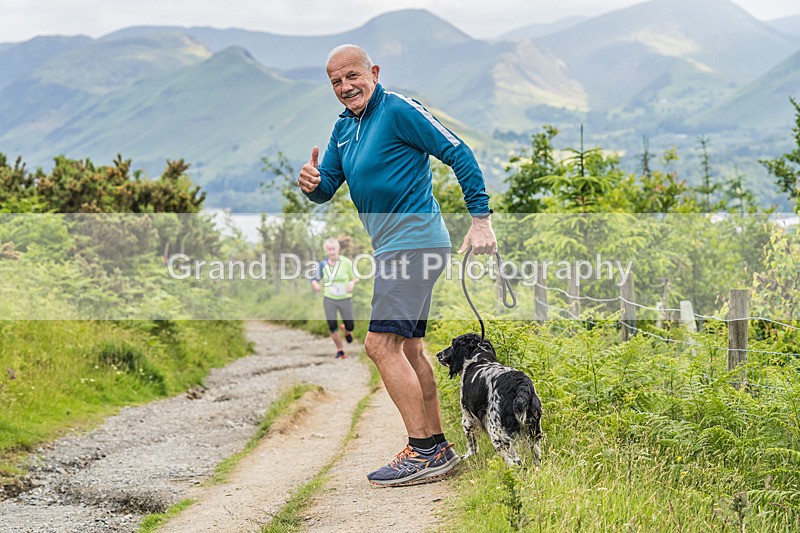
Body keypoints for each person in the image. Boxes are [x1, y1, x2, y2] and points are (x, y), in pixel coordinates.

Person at [298, 44, 497, 486]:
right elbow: (328, 185)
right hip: (395, 248)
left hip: (414, 244)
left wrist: (481, 220)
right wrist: (312, 184)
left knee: (379, 345)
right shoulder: (344, 128)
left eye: (352, 76)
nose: (346, 87)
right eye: (336, 82)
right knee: (407, 347)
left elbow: (458, 152)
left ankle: (423, 450)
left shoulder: (398, 109)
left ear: (374, 71)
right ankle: (438, 446)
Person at [311, 237, 357, 358]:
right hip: (329, 298)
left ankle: (346, 329)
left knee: (350, 325)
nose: (332, 251)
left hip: (345, 298)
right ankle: (340, 349)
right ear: (326, 251)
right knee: (332, 325)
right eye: (329, 249)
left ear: (338, 249)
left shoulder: (346, 262)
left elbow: (355, 277)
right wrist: (315, 284)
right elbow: (315, 278)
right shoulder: (323, 264)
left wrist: (352, 283)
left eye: (334, 249)